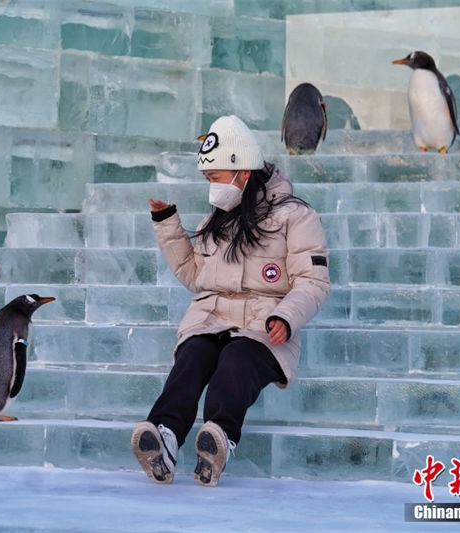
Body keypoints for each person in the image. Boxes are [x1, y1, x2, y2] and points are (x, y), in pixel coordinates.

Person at [130, 115, 331, 487]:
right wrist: (167, 225)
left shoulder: (296, 217)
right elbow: (196, 276)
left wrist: (286, 316)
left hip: (262, 325)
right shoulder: (218, 221)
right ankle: (165, 435)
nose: (212, 187)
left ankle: (218, 438)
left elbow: (313, 281)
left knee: (236, 362)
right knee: (192, 357)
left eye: (216, 177)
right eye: (208, 178)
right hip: (211, 318)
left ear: (243, 171)